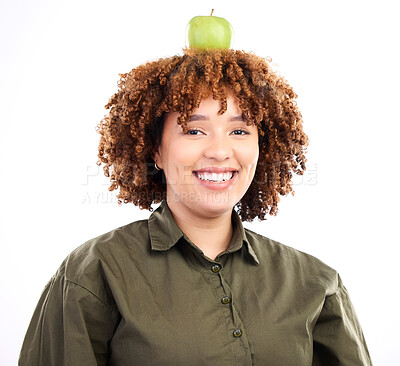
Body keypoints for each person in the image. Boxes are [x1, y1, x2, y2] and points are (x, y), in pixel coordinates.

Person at [19, 47, 373, 365]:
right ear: (155, 149)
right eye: (194, 131)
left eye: (239, 131)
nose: (220, 152)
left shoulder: (316, 282)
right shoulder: (95, 273)